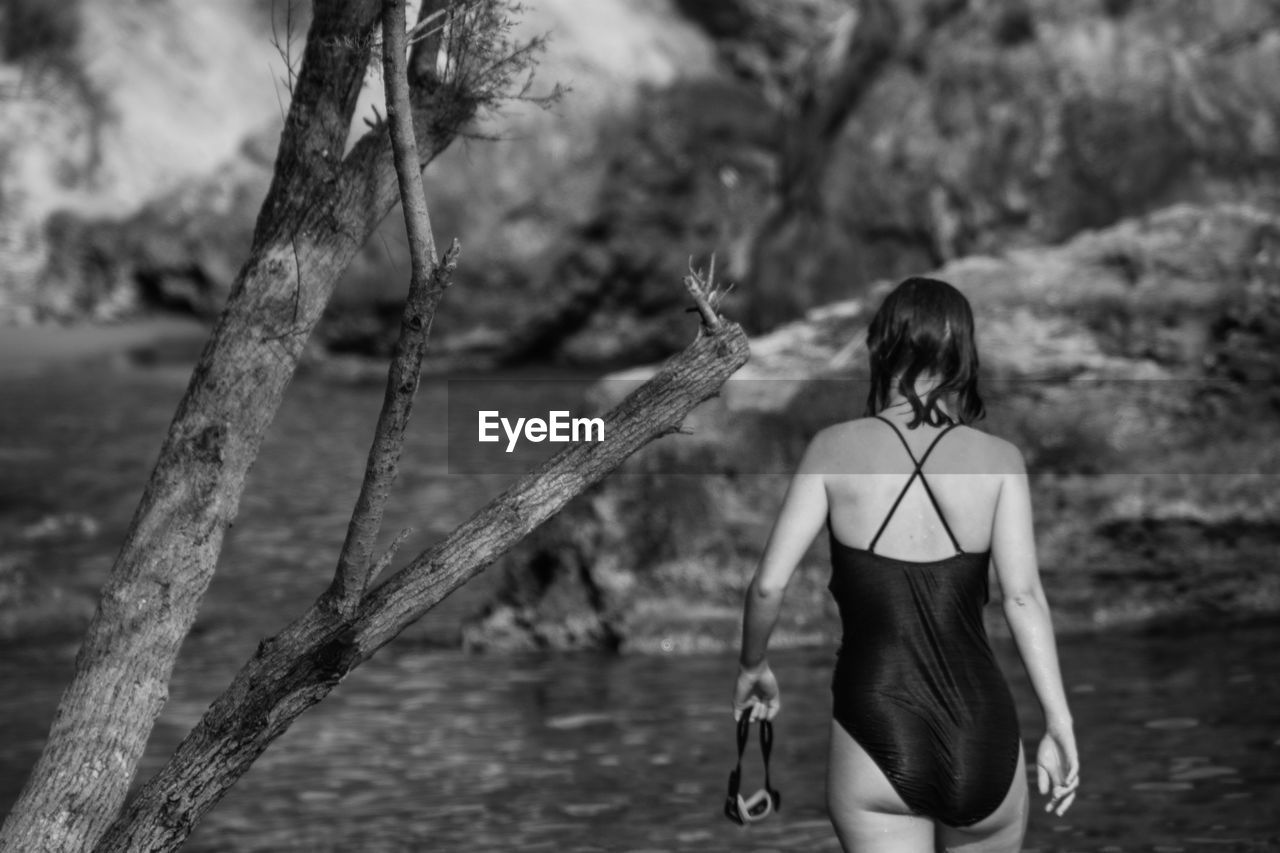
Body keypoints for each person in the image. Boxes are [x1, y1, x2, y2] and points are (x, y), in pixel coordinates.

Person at [732, 277, 1079, 852]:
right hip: (985, 735)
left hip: (877, 729)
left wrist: (753, 667)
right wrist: (1058, 722)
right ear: (962, 353)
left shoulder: (832, 449)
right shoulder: (1000, 461)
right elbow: (1024, 599)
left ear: (881, 346)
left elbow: (768, 586)